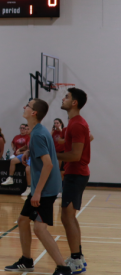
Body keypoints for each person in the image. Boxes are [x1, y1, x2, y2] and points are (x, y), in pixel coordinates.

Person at [4, 98, 71, 275]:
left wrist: (38, 192)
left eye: (28, 105)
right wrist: (29, 151)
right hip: (43, 188)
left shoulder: (38, 134)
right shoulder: (38, 131)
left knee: (40, 229)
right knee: (23, 220)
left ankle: (63, 267)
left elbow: (48, 164)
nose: (24, 107)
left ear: (33, 113)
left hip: (46, 189)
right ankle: (26, 260)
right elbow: (45, 152)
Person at [56, 88, 91, 273]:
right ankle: (78, 255)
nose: (63, 99)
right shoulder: (74, 124)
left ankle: (76, 260)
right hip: (76, 173)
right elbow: (88, 138)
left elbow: (76, 155)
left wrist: (53, 156)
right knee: (70, 217)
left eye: (67, 97)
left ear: (74, 102)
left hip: (76, 173)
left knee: (66, 216)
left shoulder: (77, 124)